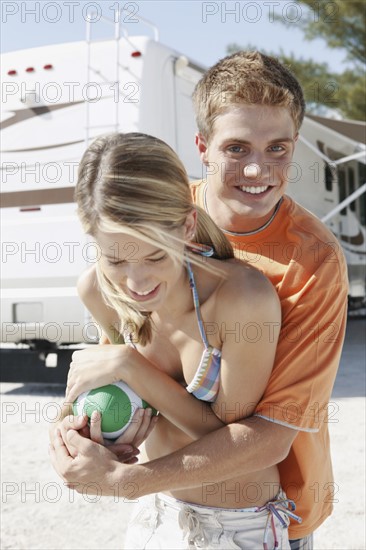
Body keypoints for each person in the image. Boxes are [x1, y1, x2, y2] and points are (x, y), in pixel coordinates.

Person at [50, 52, 348, 549]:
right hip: (162, 506)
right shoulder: (152, 218)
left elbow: (268, 437)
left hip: (269, 514)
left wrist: (129, 482)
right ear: (202, 147)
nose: (257, 168)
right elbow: (114, 383)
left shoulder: (312, 264)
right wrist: (76, 437)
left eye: (277, 148)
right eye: (236, 147)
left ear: (295, 146)